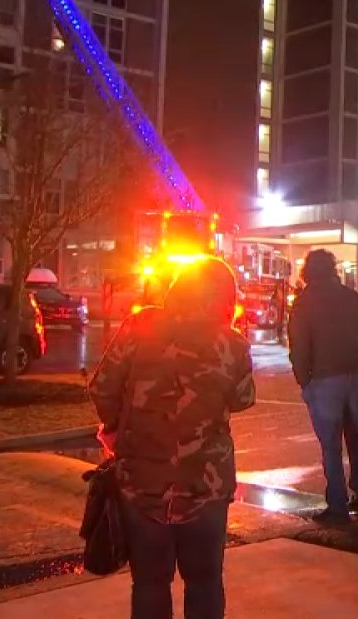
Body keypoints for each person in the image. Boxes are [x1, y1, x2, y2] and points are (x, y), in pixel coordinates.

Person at [88, 257, 255, 619]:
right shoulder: (231, 343)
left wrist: (117, 430)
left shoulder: (138, 327)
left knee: (149, 583)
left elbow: (101, 387)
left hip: (141, 480)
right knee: (205, 582)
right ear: (224, 297)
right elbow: (243, 398)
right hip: (206, 482)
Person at [288, 249, 358, 524]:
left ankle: (337, 504)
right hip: (355, 374)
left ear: (307, 271)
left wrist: (304, 380)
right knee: (356, 437)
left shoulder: (305, 303)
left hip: (325, 378)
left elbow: (299, 346)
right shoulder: (353, 298)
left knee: (330, 444)